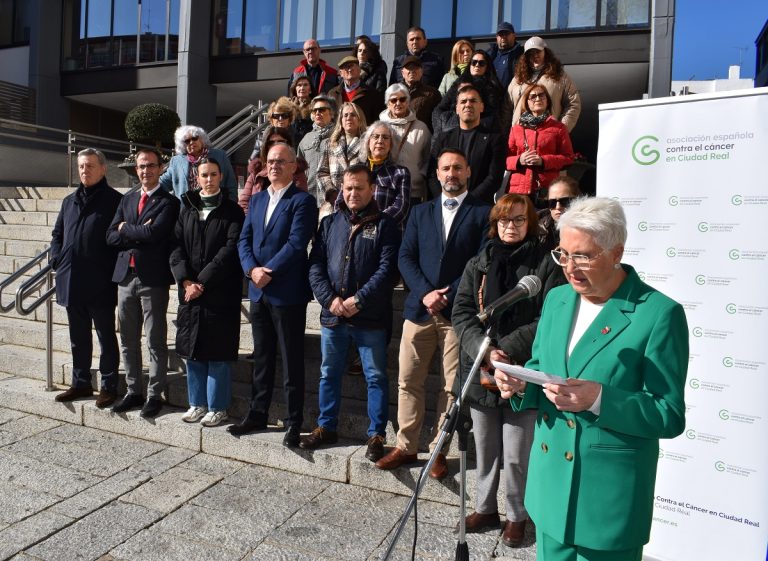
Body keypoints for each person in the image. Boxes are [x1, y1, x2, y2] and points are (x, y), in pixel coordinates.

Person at [493, 197, 689, 560]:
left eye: (583, 256)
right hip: (550, 490)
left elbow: (669, 413)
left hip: (605, 502)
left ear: (617, 253)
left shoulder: (659, 315)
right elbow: (542, 368)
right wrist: (521, 385)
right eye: (563, 254)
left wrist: (600, 399)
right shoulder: (556, 300)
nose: (570, 268)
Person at [451, 194, 564, 548]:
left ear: (530, 222)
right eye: (503, 220)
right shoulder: (479, 262)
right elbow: (462, 312)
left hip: (523, 371)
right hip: (483, 368)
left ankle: (517, 515)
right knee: (485, 449)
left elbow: (550, 317)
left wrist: (507, 350)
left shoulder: (546, 264)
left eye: (517, 220)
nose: (510, 227)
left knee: (517, 455)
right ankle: (484, 508)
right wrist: (485, 351)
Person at [375, 148, 490, 479]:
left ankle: (439, 449)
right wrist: (425, 292)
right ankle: (406, 445)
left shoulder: (483, 213)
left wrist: (449, 293)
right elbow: (405, 256)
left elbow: (481, 260)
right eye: (445, 168)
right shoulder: (419, 212)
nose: (451, 173)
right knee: (408, 379)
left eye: (457, 168)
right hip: (419, 309)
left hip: (459, 312)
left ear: (468, 172)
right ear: (436, 174)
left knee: (451, 386)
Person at [301, 164, 400, 461]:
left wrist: (359, 300)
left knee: (375, 376)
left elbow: (387, 271)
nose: (353, 193)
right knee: (328, 373)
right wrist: (329, 299)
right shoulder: (329, 223)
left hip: (369, 317)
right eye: (348, 188)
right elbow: (315, 264)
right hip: (333, 315)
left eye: (359, 187)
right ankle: (325, 426)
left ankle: (376, 434)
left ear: (372, 189)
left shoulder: (386, 225)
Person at [234, 143, 318, 446]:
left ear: (294, 166)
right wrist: (251, 270)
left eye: (281, 161)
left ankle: (294, 422)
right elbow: (244, 240)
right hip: (258, 291)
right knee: (263, 358)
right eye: (270, 161)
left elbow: (297, 245)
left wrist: (267, 271)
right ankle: (257, 412)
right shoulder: (256, 201)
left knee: (291, 360)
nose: (274, 166)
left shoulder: (303, 201)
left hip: (286, 293)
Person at [170, 157, 244, 427]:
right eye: (204, 175)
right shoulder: (186, 207)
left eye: (214, 174)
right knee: (192, 350)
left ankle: (218, 406)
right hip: (189, 291)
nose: (209, 179)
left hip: (219, 291)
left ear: (221, 177)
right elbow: (176, 246)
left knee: (218, 353)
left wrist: (202, 282)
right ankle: (197, 403)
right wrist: (186, 280)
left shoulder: (232, 211)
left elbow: (229, 249)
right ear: (196, 179)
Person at [107, 148, 181, 418]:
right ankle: (133, 390)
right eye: (141, 166)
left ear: (161, 168)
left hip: (152, 279)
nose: (146, 171)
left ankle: (154, 394)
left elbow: (155, 233)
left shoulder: (168, 202)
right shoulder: (127, 199)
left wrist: (126, 229)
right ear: (135, 169)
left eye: (151, 166)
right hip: (125, 277)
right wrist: (133, 231)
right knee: (127, 338)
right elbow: (110, 236)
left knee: (154, 339)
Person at [51, 148, 122, 408]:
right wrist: (56, 258)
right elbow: (57, 235)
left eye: (90, 166)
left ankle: (108, 385)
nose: (84, 170)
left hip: (100, 281)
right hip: (71, 279)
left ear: (103, 168)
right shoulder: (69, 201)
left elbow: (118, 240)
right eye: (81, 166)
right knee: (78, 336)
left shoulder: (114, 200)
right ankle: (80, 383)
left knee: (105, 336)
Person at [429, 84, 506, 205]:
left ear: (481, 107)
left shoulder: (495, 140)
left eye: (473, 101)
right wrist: (446, 199)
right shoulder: (443, 138)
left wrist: (467, 201)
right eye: (463, 101)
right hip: (446, 206)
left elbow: (494, 178)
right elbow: (432, 174)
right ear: (457, 109)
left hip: (479, 207)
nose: (468, 104)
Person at [505, 85, 574, 205]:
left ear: (547, 100)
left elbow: (568, 158)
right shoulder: (516, 129)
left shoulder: (559, 128)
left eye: (542, 95)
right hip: (518, 190)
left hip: (546, 189)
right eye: (533, 96)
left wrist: (544, 161)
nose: (538, 99)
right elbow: (504, 159)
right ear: (527, 102)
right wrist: (519, 160)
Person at [336, 121, 411, 228]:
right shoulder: (354, 170)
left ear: (391, 145)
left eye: (385, 137)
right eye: (375, 137)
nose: (380, 141)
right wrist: (350, 224)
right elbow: (340, 202)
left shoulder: (400, 173)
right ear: (368, 142)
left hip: (385, 232)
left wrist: (373, 225)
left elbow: (401, 208)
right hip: (351, 229)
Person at [508, 37, 581, 132]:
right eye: (530, 53)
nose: (535, 56)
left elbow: (573, 104)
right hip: (521, 136)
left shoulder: (559, 76)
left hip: (549, 136)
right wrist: (510, 133)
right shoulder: (517, 79)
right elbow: (507, 108)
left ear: (545, 52)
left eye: (538, 51)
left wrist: (561, 129)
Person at [433, 49, 510, 137]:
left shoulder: (494, 87)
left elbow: (498, 115)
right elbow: (439, 109)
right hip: (452, 131)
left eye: (481, 63)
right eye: (474, 62)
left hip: (482, 134)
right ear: (470, 65)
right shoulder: (458, 83)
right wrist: (441, 131)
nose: (477, 65)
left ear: (487, 67)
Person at [380, 83, 431, 204]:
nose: (398, 103)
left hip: (414, 191)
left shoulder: (421, 128)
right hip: (386, 189)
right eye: (393, 100)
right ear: (388, 104)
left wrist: (421, 175)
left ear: (408, 102)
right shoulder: (380, 127)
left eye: (402, 99)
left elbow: (429, 156)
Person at [239, 126, 308, 214]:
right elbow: (244, 203)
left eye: (281, 141)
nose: (275, 145)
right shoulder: (257, 170)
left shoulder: (296, 170)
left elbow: (300, 202)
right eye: (271, 142)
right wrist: (253, 222)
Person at [317, 102, 368, 215]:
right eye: (345, 115)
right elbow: (322, 172)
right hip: (333, 204)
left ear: (360, 119)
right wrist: (331, 193)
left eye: (353, 115)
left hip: (358, 202)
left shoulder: (367, 144)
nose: (349, 118)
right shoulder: (330, 144)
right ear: (340, 121)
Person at [160, 125, 236, 201]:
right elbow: (163, 183)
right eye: (187, 141)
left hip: (216, 206)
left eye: (194, 138)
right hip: (187, 209)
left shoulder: (220, 155)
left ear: (202, 139)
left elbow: (231, 184)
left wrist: (232, 205)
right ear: (183, 145)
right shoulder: (177, 161)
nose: (191, 142)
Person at [297, 95, 337, 208]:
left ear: (332, 113)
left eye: (322, 109)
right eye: (315, 110)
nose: (318, 113)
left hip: (332, 198)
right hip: (308, 198)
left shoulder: (338, 136)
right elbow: (299, 170)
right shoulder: (306, 139)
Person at [328, 56, 383, 126]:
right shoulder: (332, 94)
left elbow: (376, 121)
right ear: (340, 73)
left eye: (352, 66)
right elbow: (329, 119)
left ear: (359, 70)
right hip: (339, 134)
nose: (350, 69)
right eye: (346, 67)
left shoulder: (372, 93)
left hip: (363, 134)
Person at [399, 55, 442, 133]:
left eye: (415, 67)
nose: (412, 71)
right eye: (409, 68)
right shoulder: (394, 92)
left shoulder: (433, 94)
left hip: (423, 139)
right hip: (397, 139)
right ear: (402, 72)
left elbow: (438, 123)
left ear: (422, 71)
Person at [537, 176, 580, 249]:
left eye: (565, 201)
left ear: (577, 200)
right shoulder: (536, 227)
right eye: (552, 202)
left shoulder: (591, 230)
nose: (558, 207)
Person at [487, 22, 523, 89]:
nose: (503, 37)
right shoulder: (489, 55)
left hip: (511, 97)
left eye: (506, 34)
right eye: (501, 34)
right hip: (492, 97)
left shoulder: (521, 54)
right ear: (497, 37)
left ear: (514, 35)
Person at [288, 76, 316, 143]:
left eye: (305, 85)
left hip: (310, 142)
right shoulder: (288, 106)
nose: (302, 88)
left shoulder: (316, 106)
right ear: (295, 89)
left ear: (310, 90)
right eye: (299, 85)